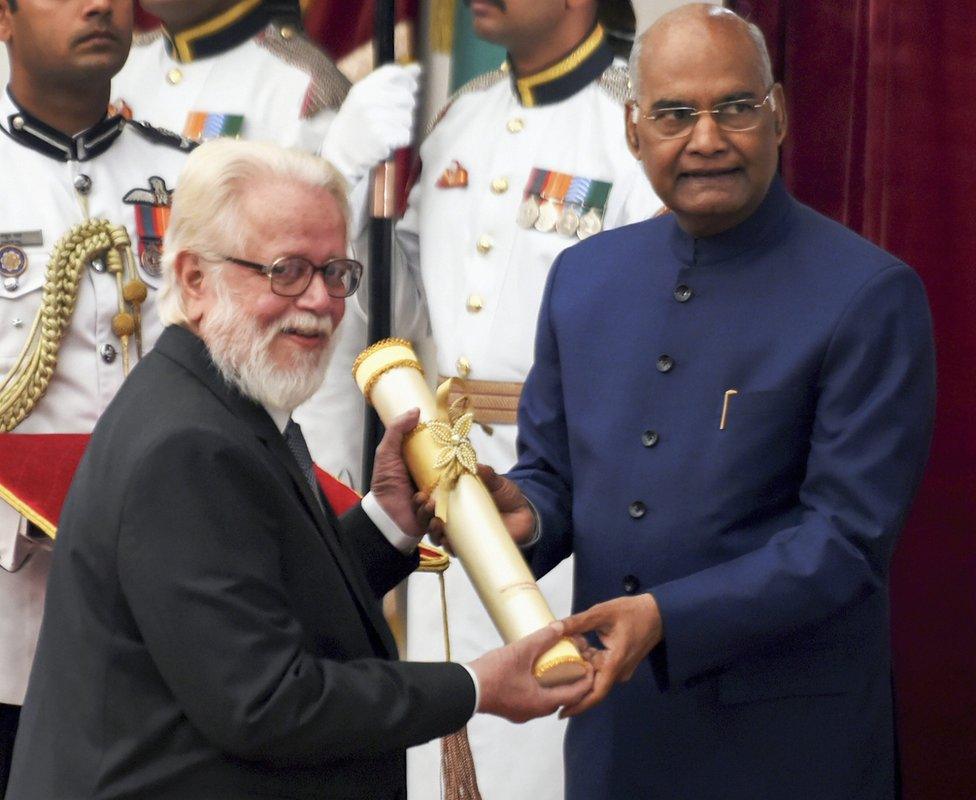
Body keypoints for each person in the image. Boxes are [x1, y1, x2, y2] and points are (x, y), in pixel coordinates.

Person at [5, 139, 592, 800]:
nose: (320, 301)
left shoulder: (224, 395)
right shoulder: (190, 444)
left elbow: (258, 598)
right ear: (195, 279)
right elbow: (264, 702)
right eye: (285, 270)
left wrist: (387, 525)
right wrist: (475, 686)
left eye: (336, 272)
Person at [475, 5, 936, 799]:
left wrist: (663, 617)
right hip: (619, 739)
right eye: (675, 115)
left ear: (780, 114)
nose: (707, 139)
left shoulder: (866, 294)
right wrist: (527, 517)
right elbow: (552, 477)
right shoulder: (584, 280)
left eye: (735, 108)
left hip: (791, 748)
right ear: (634, 130)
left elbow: (846, 543)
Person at [396, 1, 660, 795]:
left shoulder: (631, 118)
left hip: (566, 492)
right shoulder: (462, 115)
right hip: (446, 473)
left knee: (546, 755)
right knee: (442, 740)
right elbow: (398, 300)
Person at [113, 0, 425, 489]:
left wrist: (318, 480)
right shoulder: (124, 69)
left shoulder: (300, 87)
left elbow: (331, 309)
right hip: (136, 417)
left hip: (249, 447)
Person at [0, 0, 191, 791]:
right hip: (12, 618)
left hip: (170, 616)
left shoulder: (194, 179)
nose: (99, 4)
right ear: (3, 18)